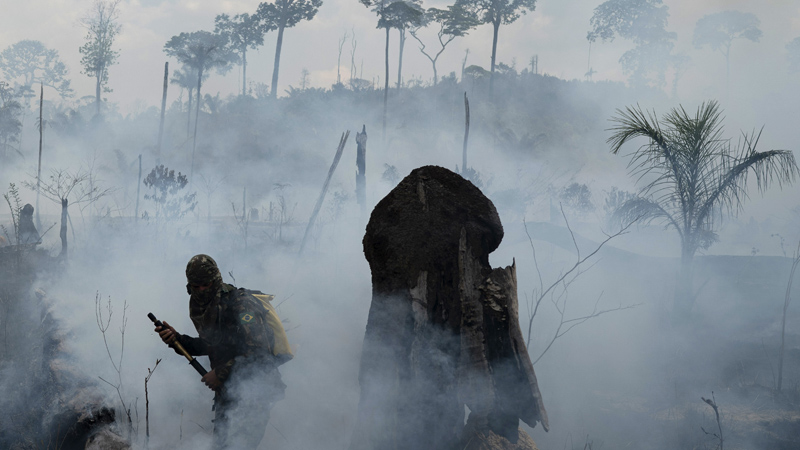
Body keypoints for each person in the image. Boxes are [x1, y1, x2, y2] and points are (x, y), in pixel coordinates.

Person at [156, 254, 289, 449]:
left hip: (255, 392)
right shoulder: (207, 306)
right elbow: (213, 344)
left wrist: (220, 372)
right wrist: (177, 340)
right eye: (196, 286)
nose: (201, 290)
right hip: (228, 391)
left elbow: (261, 355)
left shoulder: (242, 306)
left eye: (206, 285)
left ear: (216, 280)